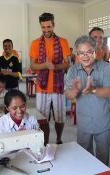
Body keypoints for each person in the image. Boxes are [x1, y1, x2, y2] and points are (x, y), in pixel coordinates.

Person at [65, 35, 110, 165]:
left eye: (88, 52)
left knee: (103, 156)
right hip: (83, 121)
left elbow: (109, 91)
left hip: (102, 120)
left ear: (95, 51)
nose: (85, 56)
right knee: (84, 154)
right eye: (81, 53)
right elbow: (68, 94)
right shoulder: (72, 71)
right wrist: (75, 91)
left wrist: (92, 89)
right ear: (77, 54)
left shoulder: (105, 67)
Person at [29, 12, 71, 145]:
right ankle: (45, 141)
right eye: (43, 27)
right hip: (42, 88)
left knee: (60, 117)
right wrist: (45, 65)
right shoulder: (35, 43)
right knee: (42, 119)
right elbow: (33, 65)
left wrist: (55, 66)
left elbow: (67, 63)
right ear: (40, 27)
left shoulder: (63, 42)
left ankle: (59, 139)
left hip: (58, 87)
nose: (46, 30)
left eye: (48, 26)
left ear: (53, 25)